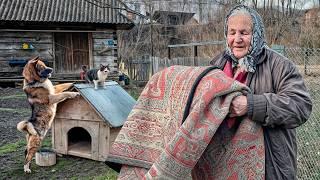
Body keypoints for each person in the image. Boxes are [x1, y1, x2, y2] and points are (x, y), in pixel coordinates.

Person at [210, 5, 313, 180]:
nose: (237, 39)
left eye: (244, 32)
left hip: (269, 169)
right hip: (226, 167)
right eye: (232, 32)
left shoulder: (279, 65)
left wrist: (251, 105)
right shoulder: (217, 65)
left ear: (256, 33)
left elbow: (300, 106)